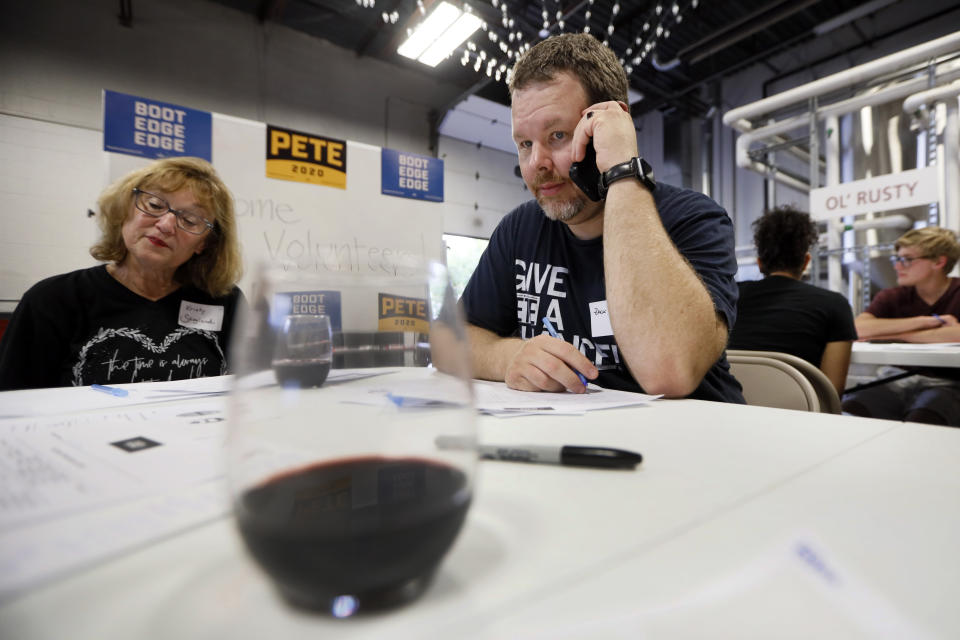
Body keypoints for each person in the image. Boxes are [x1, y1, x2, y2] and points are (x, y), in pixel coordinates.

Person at [460, 33, 742, 402]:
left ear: (608, 125)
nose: (536, 164)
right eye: (525, 144)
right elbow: (451, 339)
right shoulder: (520, 229)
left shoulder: (695, 219)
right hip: (575, 440)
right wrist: (508, 356)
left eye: (557, 135)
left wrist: (623, 169)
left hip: (688, 443)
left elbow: (669, 372)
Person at [0, 156, 245, 390]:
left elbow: (252, 394)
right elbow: (13, 404)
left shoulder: (224, 301)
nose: (165, 225)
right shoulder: (53, 299)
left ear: (205, 244)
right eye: (155, 205)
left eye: (190, 220)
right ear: (124, 210)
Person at [728, 206, 857, 395]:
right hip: (800, 416)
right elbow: (832, 393)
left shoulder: (730, 296)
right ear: (805, 262)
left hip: (728, 406)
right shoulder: (835, 305)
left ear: (760, 263)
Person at [841, 226, 960, 426]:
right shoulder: (893, 295)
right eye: (897, 259)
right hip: (893, 379)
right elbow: (858, 329)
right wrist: (928, 322)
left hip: (949, 384)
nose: (897, 266)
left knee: (923, 422)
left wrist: (890, 332)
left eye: (907, 259)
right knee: (849, 412)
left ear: (939, 261)